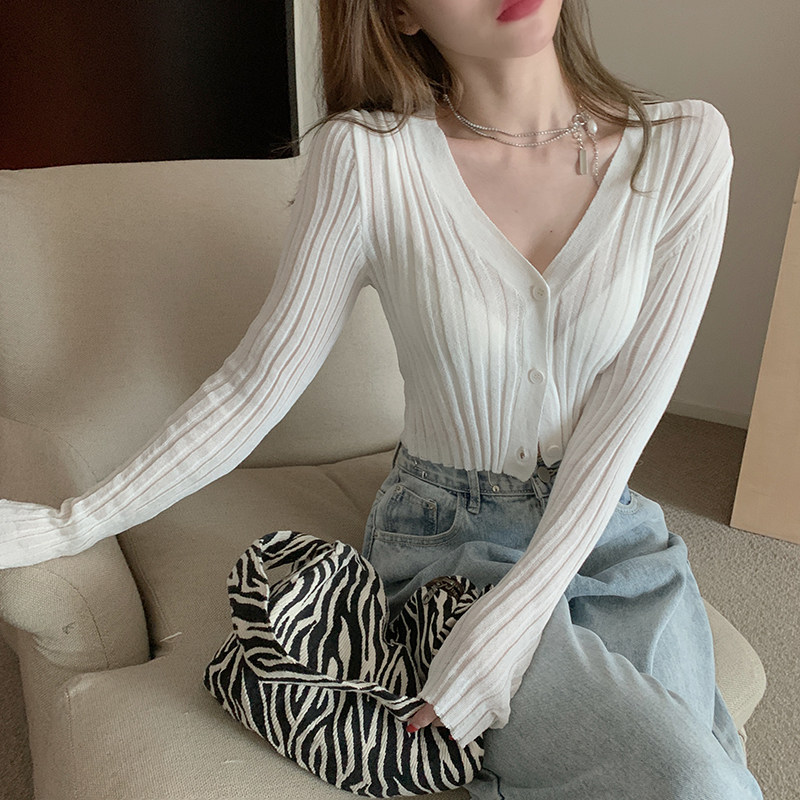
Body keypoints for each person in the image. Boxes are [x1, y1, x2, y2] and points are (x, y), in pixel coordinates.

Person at [0, 0, 765, 797]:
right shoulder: (369, 160)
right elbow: (251, 388)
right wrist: (72, 522)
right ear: (399, 12)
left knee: (711, 769)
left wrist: (522, 612)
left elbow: (630, 402)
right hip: (448, 539)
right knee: (693, 779)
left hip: (607, 527)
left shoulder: (685, 146)